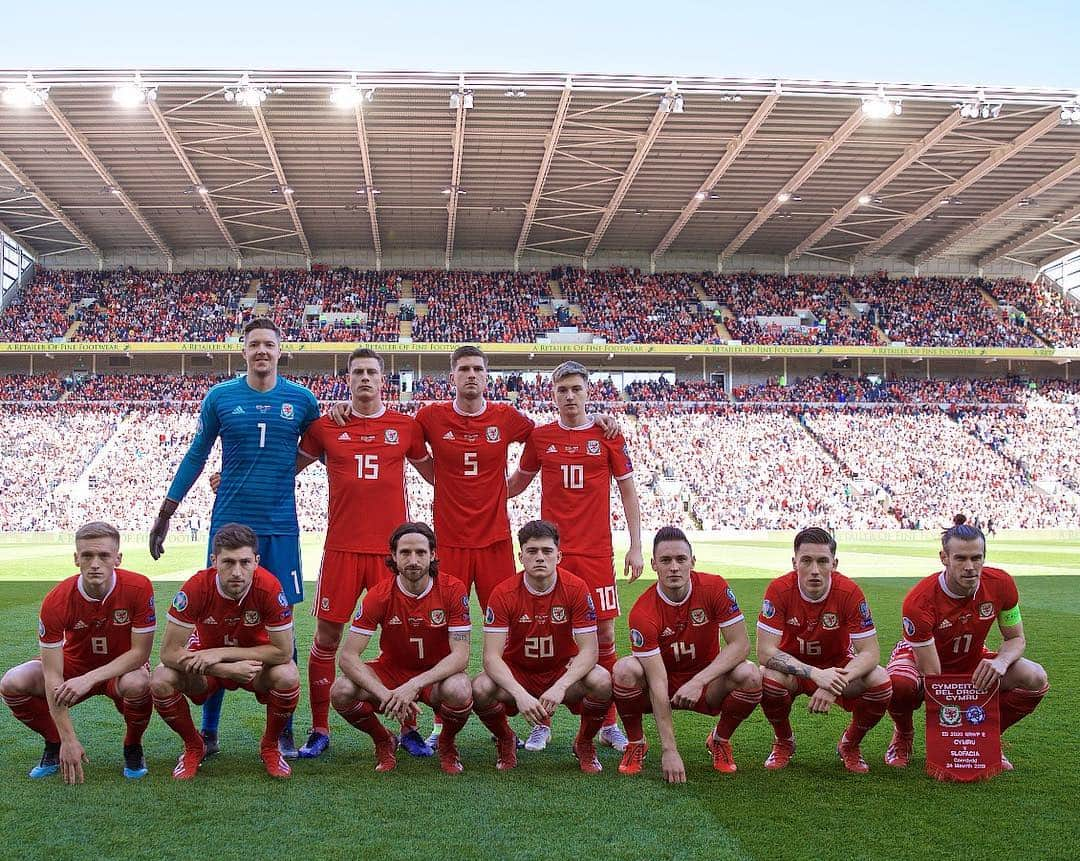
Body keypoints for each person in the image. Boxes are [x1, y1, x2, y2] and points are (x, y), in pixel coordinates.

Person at [149, 317, 318, 759]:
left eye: (269, 344)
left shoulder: (302, 401)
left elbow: (320, 446)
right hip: (228, 524)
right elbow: (197, 453)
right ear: (242, 351)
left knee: (285, 626)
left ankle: (282, 729)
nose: (261, 351)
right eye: (253, 344)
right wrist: (168, 510)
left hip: (280, 526)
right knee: (212, 619)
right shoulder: (221, 397)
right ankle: (209, 730)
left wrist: (337, 417)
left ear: (282, 351)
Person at [295, 347, 434, 759]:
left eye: (372, 372)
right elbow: (284, 468)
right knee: (327, 637)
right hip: (340, 550)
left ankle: (408, 727)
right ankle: (320, 728)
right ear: (348, 379)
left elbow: (437, 475)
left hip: (393, 556)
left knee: (402, 640)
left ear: (383, 378)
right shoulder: (324, 428)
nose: (365, 379)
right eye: (358, 373)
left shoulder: (405, 427)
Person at [509, 359, 644, 752]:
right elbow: (517, 483)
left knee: (603, 635)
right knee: (546, 634)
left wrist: (635, 545)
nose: (569, 396)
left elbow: (628, 491)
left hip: (596, 553)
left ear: (588, 392)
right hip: (551, 555)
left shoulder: (608, 435)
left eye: (576, 389)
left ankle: (608, 723)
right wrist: (475, 492)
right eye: (562, 390)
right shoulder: (540, 436)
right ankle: (541, 722)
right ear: (552, 395)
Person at [885, 515, 1048, 770]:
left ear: (984, 556)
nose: (970, 566)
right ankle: (904, 735)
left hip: (972, 658)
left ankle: (988, 737)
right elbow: (933, 674)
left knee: (1034, 676)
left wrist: (1002, 662)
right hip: (924, 661)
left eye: (976, 557)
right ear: (944, 558)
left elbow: (1015, 638)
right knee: (899, 683)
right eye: (960, 558)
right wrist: (950, 731)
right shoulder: (919, 601)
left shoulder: (1002, 584)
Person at [1, 521, 156, 783]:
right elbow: (52, 674)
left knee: (139, 682)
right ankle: (53, 743)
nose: (95, 563)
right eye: (87, 555)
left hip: (120, 668)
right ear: (76, 559)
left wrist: (89, 679)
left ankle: (132, 745)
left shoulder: (139, 587)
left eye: (104, 555)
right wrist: (68, 738)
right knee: (12, 682)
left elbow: (139, 654)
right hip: (74, 667)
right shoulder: (56, 599)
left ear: (117, 558)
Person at [150, 523, 300, 780]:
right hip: (206, 670)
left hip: (251, 667)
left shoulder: (270, 587)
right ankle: (194, 745)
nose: (237, 572)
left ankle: (270, 746)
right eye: (228, 562)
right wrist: (223, 668)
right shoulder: (196, 587)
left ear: (257, 561)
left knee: (288, 675)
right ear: (214, 560)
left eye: (245, 562)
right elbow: (168, 653)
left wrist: (220, 653)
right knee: (161, 679)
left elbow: (284, 652)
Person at [613, 527, 761, 781]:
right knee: (624, 670)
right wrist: (670, 750)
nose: (674, 567)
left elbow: (740, 645)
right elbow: (657, 680)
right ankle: (636, 742)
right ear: (654, 565)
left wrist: (698, 681)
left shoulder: (714, 587)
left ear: (692, 562)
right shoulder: (643, 611)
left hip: (707, 682)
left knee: (750, 674)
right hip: (662, 682)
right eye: (665, 560)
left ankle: (719, 740)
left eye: (681, 559)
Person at [471, 520, 612, 774]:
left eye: (547, 551)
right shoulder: (503, 593)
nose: (540, 558)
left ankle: (584, 743)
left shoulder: (576, 588)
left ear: (559, 556)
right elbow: (491, 658)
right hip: (519, 673)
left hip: (559, 671)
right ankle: (506, 740)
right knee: (480, 688)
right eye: (532, 551)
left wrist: (561, 686)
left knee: (602, 680)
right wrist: (520, 694)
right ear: (520, 556)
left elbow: (590, 651)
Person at [332, 522, 473, 774]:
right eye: (405, 553)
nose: (413, 560)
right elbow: (347, 656)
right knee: (341, 690)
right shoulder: (379, 595)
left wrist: (415, 684)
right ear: (394, 557)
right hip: (392, 671)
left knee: (460, 689)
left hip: (434, 675)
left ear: (433, 555)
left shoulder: (452, 589)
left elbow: (460, 656)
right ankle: (383, 739)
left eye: (420, 552)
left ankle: (447, 744)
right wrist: (386, 695)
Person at [757, 527, 893, 773]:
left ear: (835, 564)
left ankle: (850, 745)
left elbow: (870, 653)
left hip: (838, 665)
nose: (815, 570)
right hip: (795, 669)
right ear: (794, 562)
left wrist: (834, 682)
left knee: (881, 681)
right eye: (806, 561)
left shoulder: (849, 592)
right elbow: (766, 652)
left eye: (822, 561)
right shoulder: (779, 590)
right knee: (766, 678)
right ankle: (784, 741)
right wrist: (815, 674)